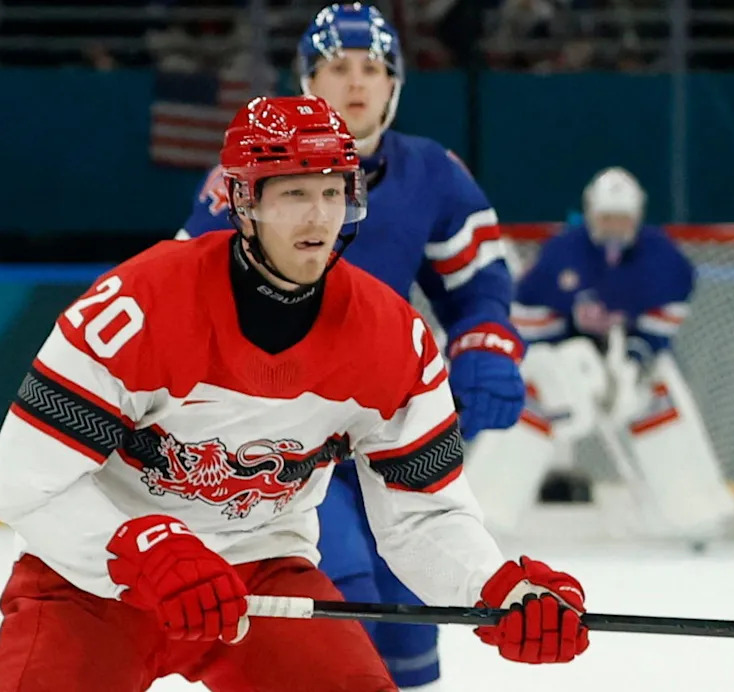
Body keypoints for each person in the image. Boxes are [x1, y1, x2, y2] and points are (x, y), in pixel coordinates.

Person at [0, 95, 589, 692]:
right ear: (243, 202)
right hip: (96, 582)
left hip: (261, 577)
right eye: (295, 193)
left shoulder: (392, 341)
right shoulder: (136, 310)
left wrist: (499, 587)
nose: (319, 218)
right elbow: (24, 481)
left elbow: (422, 514)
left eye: (333, 192)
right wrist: (145, 551)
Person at [176, 6, 526, 688]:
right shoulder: (250, 168)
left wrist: (485, 345)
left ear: (396, 83)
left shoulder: (433, 171)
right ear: (308, 79)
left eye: (373, 67)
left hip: (380, 425)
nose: (357, 82)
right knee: (340, 596)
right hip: (282, 435)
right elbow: (188, 291)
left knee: (408, 614)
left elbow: (479, 284)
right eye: (339, 66)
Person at [492, 166, 734, 542]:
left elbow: (666, 315)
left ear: (637, 217)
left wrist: (636, 357)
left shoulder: (661, 257)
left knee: (660, 394)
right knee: (528, 403)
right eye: (607, 217)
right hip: (565, 360)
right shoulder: (562, 252)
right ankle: (489, 512)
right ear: (591, 214)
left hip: (630, 359)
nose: (614, 227)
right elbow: (529, 316)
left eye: (622, 219)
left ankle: (696, 513)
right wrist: (564, 358)